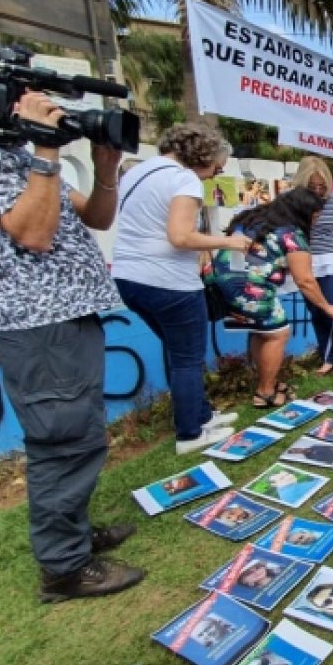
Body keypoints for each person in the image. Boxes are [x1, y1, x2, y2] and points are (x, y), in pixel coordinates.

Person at [0, 90, 144, 602]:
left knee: (81, 437)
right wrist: (47, 150)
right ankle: (64, 570)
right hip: (38, 324)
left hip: (70, 319)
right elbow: (34, 233)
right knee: (62, 443)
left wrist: (106, 168)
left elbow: (95, 216)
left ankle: (73, 536)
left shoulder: (21, 162)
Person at [112, 123, 247, 454]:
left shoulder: (137, 172)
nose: (212, 177)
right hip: (169, 281)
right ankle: (190, 433)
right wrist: (231, 242)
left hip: (130, 278)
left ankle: (201, 416)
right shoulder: (183, 178)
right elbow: (181, 236)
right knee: (187, 357)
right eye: (216, 169)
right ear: (203, 155)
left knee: (178, 352)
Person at [207, 187, 333, 408]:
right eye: (315, 216)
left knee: (264, 333)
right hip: (249, 288)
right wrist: (327, 307)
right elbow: (305, 280)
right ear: (303, 212)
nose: (317, 221)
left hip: (222, 282)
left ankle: (268, 383)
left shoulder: (254, 218)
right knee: (279, 333)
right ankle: (265, 393)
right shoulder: (291, 234)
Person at [290, 156, 333, 376]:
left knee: (331, 309)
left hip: (332, 262)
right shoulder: (293, 201)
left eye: (321, 186)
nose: (318, 190)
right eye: (312, 186)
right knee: (316, 312)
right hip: (305, 262)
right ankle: (328, 355)